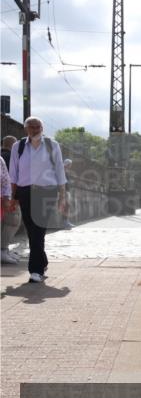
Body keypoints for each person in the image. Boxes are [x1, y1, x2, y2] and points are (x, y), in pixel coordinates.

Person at [8, 117, 68, 283]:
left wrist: (62, 197)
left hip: (46, 192)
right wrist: (13, 198)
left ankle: (36, 270)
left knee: (39, 229)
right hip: (25, 191)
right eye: (32, 127)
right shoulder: (18, 147)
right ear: (26, 129)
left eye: (38, 126)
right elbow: (14, 174)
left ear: (42, 128)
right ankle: (43, 260)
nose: (36, 130)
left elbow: (60, 172)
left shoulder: (52, 145)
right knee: (31, 230)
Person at [1, 135, 23, 265]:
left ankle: (4, 249)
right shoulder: (10, 157)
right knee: (12, 222)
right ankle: (3, 250)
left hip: (5, 196)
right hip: (8, 196)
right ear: (13, 145)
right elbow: (12, 179)